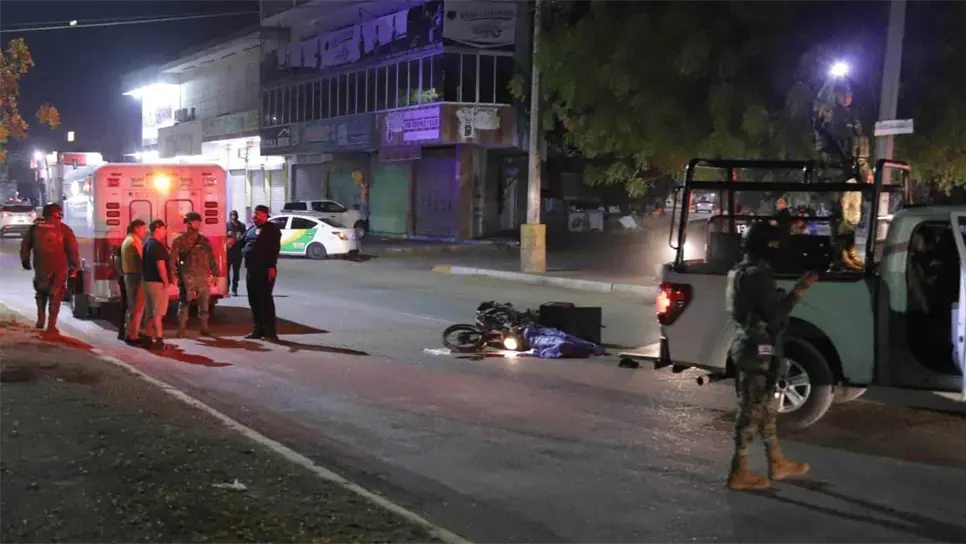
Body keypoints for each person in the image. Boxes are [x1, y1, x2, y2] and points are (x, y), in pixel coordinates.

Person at [725, 221, 819, 491]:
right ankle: (739, 470)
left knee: (766, 409)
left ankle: (776, 462)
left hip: (751, 345)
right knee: (751, 410)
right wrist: (799, 290)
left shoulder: (741, 271)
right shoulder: (757, 275)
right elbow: (774, 315)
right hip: (757, 350)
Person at [19, 203, 79, 335]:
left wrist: (25, 260)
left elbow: (25, 246)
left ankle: (40, 321)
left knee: (41, 293)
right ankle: (51, 325)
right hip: (59, 268)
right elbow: (73, 250)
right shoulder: (64, 229)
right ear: (57, 214)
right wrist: (74, 267)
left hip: (40, 266)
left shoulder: (35, 229)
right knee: (55, 295)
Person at [169, 211, 217, 337]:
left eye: (198, 222)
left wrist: (215, 273)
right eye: (195, 221)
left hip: (203, 276)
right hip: (186, 277)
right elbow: (172, 259)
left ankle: (204, 328)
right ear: (188, 223)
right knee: (184, 304)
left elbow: (211, 258)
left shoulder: (204, 241)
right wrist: (173, 275)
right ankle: (181, 329)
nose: (197, 224)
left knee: (204, 305)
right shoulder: (179, 240)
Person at [240, 205, 281, 340]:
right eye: (254, 214)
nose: (254, 216)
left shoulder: (271, 229)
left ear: (265, 215)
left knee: (265, 301)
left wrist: (271, 267)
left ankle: (270, 332)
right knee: (254, 301)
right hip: (251, 270)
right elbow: (241, 242)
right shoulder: (251, 229)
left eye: (257, 214)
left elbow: (273, 249)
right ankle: (257, 330)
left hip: (265, 270)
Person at [141, 220, 171, 350]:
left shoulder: (147, 243)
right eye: (164, 228)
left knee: (149, 312)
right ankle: (159, 340)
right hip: (157, 283)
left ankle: (148, 338)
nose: (166, 231)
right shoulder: (157, 245)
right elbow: (161, 266)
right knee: (158, 313)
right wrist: (166, 281)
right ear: (157, 228)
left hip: (147, 281)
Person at [120, 219, 148, 345]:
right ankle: (133, 336)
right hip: (135, 277)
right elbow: (142, 259)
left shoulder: (127, 240)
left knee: (133, 307)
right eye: (143, 228)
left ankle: (130, 332)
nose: (145, 231)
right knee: (137, 307)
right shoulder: (133, 242)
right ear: (136, 228)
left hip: (129, 276)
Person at [226, 210, 246, 296]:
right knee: (227, 272)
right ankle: (226, 288)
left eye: (234, 215)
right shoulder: (226, 225)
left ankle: (234, 289)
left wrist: (240, 238)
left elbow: (244, 238)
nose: (233, 217)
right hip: (228, 252)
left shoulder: (241, 226)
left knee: (236, 272)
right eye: (232, 215)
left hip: (237, 251)